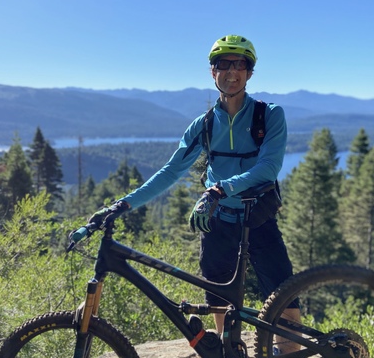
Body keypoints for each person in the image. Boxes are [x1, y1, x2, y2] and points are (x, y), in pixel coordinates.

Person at [90, 34, 300, 351]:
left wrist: (219, 188)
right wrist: (122, 204)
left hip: (257, 217)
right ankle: (229, 351)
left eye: (240, 64)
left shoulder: (268, 115)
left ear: (250, 72)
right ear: (212, 71)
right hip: (217, 221)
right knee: (219, 299)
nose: (231, 72)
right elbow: (170, 172)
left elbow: (268, 168)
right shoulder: (205, 124)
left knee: (284, 299)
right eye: (223, 64)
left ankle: (291, 352)